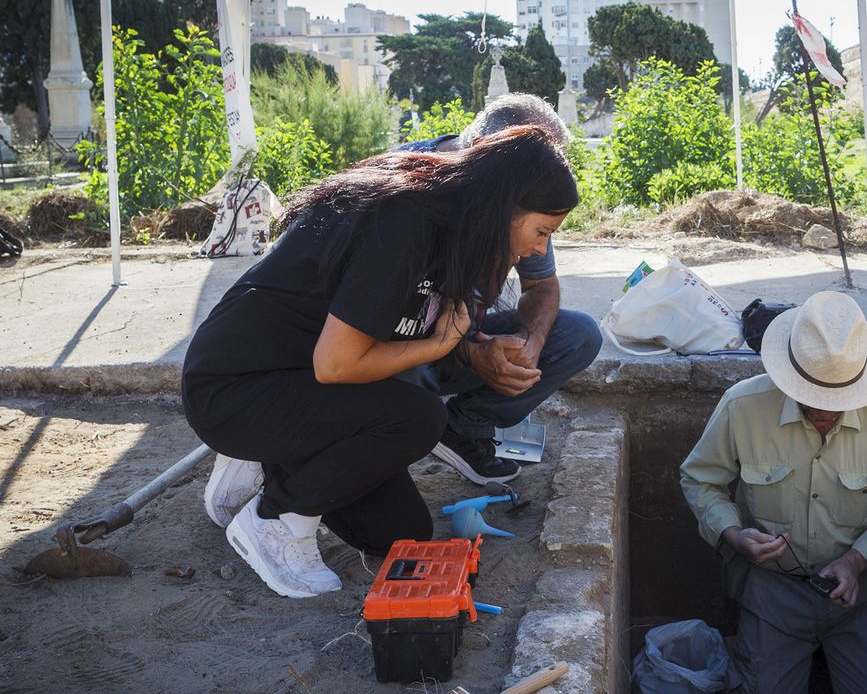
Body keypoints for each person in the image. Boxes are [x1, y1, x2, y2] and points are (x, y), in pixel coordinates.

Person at [183, 127, 578, 598]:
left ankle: (269, 460)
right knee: (417, 418)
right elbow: (337, 366)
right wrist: (439, 347)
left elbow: (416, 328)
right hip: (239, 389)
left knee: (397, 533)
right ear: (504, 206)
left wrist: (471, 345)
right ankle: (275, 522)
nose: (538, 250)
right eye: (541, 232)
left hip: (309, 387)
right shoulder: (403, 223)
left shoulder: (462, 233)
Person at [679, 291, 867, 694]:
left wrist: (856, 563)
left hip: (858, 593)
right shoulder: (742, 405)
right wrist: (735, 536)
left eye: (838, 397)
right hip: (773, 588)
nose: (823, 409)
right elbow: (700, 481)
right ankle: (770, 656)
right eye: (812, 395)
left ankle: (839, 661)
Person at [392, 94, 601, 484]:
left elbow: (541, 284)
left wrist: (530, 341)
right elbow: (380, 324)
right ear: (494, 162)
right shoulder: (408, 188)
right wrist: (472, 353)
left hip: (451, 341)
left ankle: (463, 428)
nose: (540, 245)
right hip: (391, 348)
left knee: (579, 335)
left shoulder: (521, 197)